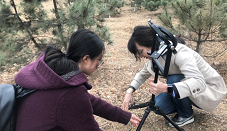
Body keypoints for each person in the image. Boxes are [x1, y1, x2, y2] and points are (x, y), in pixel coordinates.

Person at [13, 29, 141, 131]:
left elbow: (88, 100)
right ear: (86, 59)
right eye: (99, 60)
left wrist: (123, 115)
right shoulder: (71, 92)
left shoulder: (56, 74)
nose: (99, 64)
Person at [122, 26, 227, 128]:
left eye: (140, 52)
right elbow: (142, 74)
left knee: (173, 80)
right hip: (189, 89)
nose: (141, 56)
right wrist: (129, 91)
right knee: (158, 106)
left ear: (150, 42)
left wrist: (165, 88)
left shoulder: (180, 53)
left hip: (208, 91)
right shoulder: (156, 55)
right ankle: (183, 103)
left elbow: (199, 82)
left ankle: (186, 115)